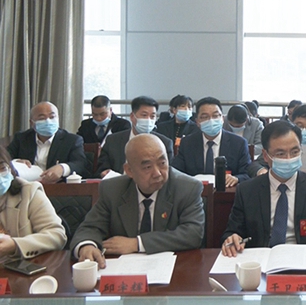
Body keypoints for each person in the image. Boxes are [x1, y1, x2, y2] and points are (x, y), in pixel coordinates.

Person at [71, 134, 204, 267]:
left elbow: (193, 234)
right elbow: (90, 227)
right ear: (129, 170)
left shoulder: (187, 188)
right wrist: (87, 245)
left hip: (175, 268)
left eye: (162, 163)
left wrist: (137, 243)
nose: (157, 173)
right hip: (123, 269)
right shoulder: (112, 190)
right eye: (147, 167)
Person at [221, 121, 306, 255]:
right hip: (261, 258)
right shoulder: (247, 190)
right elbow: (232, 232)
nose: (289, 159)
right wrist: (232, 239)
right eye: (281, 154)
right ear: (266, 156)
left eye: (295, 152)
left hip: (303, 257)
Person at [0, 146, 67, 258]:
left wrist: (16, 245)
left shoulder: (29, 192)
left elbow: (56, 235)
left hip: (22, 266)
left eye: (2, 168)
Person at [248, 105, 306, 184]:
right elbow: (255, 165)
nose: (304, 130)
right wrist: (262, 171)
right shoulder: (281, 143)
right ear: (292, 125)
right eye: (299, 126)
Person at [172, 97, 250, 187]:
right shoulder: (187, 143)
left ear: (222, 119)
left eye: (215, 116)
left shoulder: (238, 143)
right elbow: (176, 172)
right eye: (205, 117)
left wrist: (236, 178)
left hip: (226, 192)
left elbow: (247, 173)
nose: (211, 120)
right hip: (195, 192)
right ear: (197, 122)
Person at [8, 101, 88, 181]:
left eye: (52, 117)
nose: (48, 121)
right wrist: (16, 162)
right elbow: (5, 157)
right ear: (32, 123)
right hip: (26, 185)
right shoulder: (21, 138)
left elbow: (80, 163)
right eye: (42, 118)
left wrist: (62, 168)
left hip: (57, 186)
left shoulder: (72, 140)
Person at [97, 96, 174, 177]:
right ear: (132, 116)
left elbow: (168, 173)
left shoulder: (165, 143)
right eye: (144, 115)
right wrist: (104, 172)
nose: (148, 120)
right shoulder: (113, 140)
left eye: (152, 116)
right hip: (119, 182)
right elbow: (102, 168)